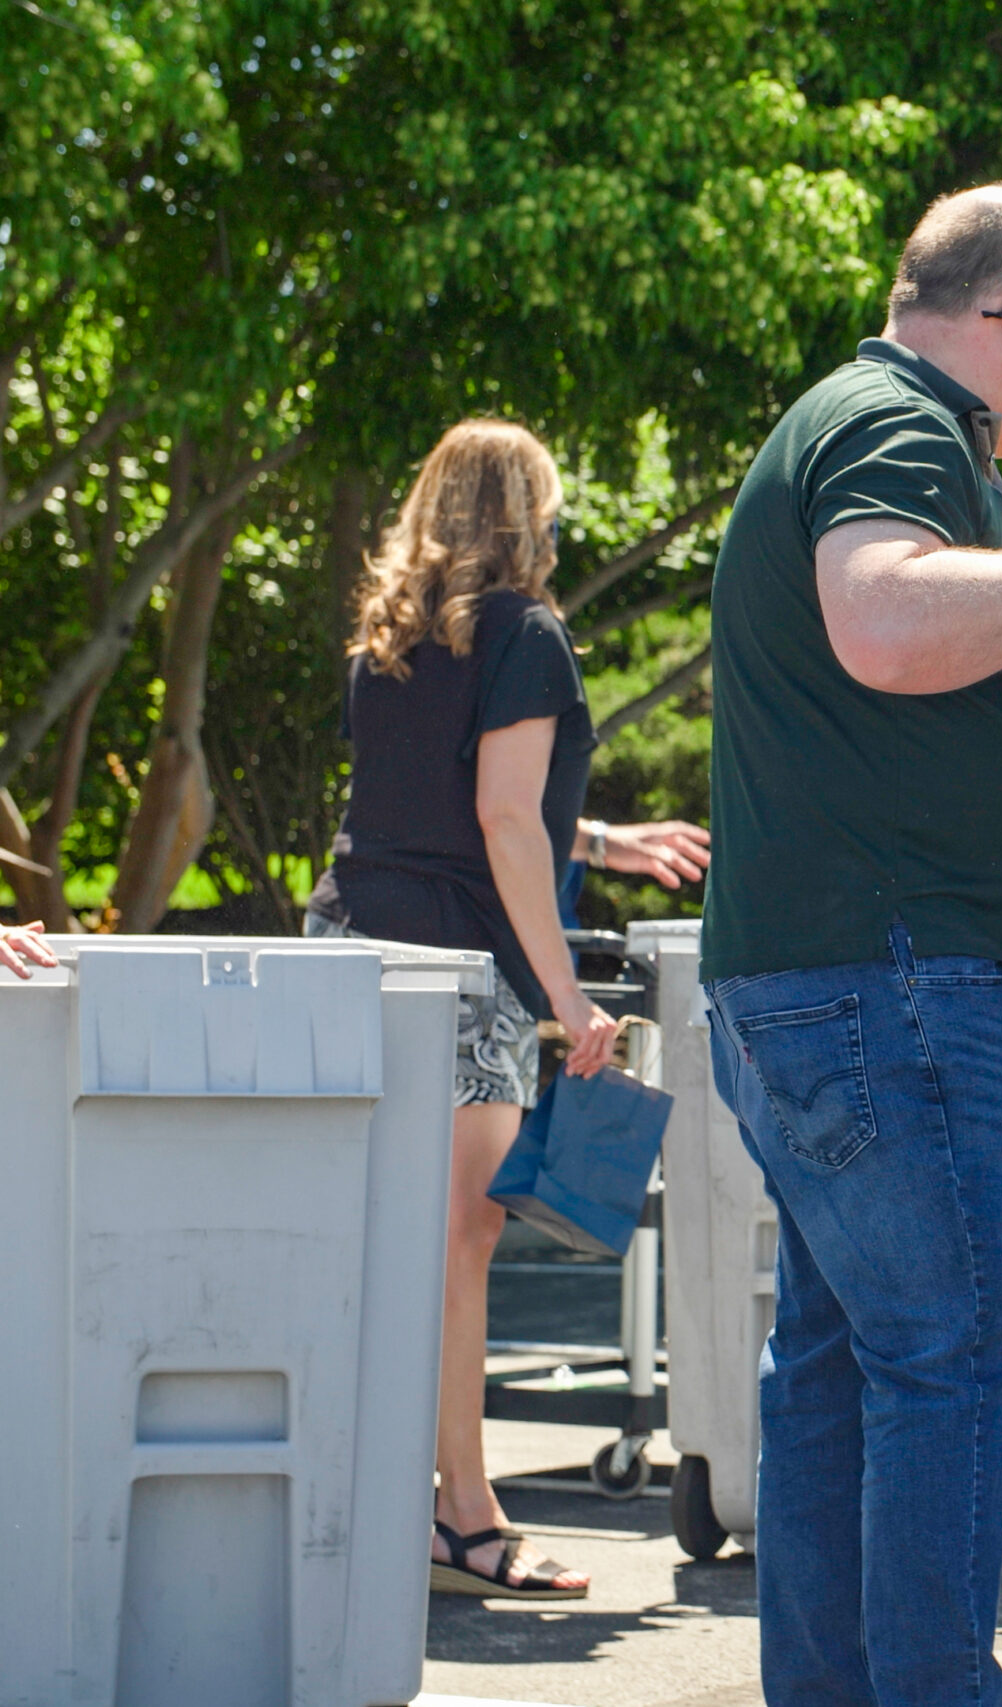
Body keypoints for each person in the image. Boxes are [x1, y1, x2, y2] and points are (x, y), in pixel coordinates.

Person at [700, 182, 1002, 1705]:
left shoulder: (855, 419)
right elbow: (889, 625)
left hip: (821, 979)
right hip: (889, 980)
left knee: (849, 1371)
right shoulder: (905, 424)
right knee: (956, 1362)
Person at [307, 419, 712, 1601]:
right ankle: (467, 1523)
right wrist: (569, 996)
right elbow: (494, 821)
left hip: (351, 947)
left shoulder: (390, 638)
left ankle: (402, 1507)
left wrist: (601, 838)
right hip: (455, 971)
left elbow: (439, 801)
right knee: (458, 1247)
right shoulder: (528, 633)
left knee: (394, 1244)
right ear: (522, 512)